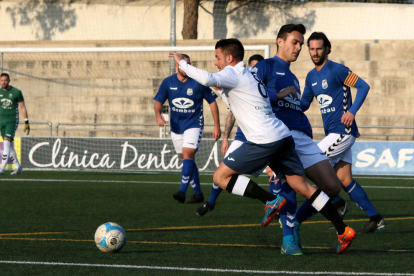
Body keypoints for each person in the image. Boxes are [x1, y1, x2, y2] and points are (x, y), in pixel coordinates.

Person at [170, 38, 356, 254]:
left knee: (220, 177)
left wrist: (182, 63)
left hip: (263, 140)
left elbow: (208, 77)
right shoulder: (249, 75)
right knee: (304, 187)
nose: (216, 63)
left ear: (229, 58)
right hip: (283, 137)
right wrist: (218, 90)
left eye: (217, 58)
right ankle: (343, 231)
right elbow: (234, 98)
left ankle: (271, 200)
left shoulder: (233, 73)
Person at [253, 24, 352, 255]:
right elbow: (250, 98)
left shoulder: (293, 75)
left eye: (300, 43)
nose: (299, 48)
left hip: (303, 136)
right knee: (291, 183)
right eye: (294, 42)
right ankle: (288, 240)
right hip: (281, 136)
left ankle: (296, 221)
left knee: (333, 186)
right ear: (280, 42)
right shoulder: (265, 66)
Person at [300, 32, 386, 234]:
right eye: (311, 49)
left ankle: (332, 205)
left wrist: (352, 111)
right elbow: (304, 103)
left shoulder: (338, 70)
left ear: (327, 49)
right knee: (345, 179)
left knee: (309, 162)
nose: (315, 52)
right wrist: (287, 103)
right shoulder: (311, 76)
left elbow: (363, 86)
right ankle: (376, 218)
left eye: (319, 48)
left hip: (343, 131)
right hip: (333, 133)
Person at [196, 54, 264, 216]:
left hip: (264, 137)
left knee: (277, 174)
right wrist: (226, 137)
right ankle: (211, 202)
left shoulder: (264, 88)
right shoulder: (242, 82)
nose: (255, 70)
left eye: (258, 67)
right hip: (242, 136)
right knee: (223, 170)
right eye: (252, 66)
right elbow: (232, 112)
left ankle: (281, 210)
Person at [153, 54, 221, 204]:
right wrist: (158, 115)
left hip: (194, 124)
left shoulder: (198, 82)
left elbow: (212, 102)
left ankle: (182, 191)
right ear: (177, 66)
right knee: (186, 158)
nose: (186, 66)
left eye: (188, 64)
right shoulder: (168, 82)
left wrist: (217, 125)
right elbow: (158, 100)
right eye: (183, 64)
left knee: (187, 153)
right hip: (176, 126)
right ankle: (198, 194)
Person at [0, 73, 29, 175]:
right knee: (8, 145)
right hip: (1, 121)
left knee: (7, 142)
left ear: (9, 80)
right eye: (2, 80)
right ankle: (18, 167)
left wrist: (26, 121)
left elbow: (22, 107)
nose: (3, 82)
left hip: (12, 120)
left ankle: (2, 167)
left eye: (5, 80)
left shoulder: (16, 92)